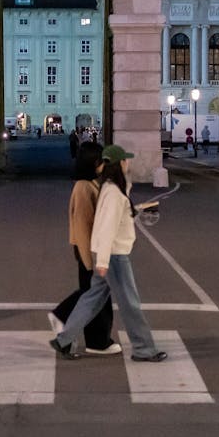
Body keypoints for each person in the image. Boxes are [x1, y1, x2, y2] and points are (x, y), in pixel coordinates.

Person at [50, 143, 168, 363]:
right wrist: (103, 261)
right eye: (126, 160)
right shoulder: (112, 193)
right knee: (130, 304)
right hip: (114, 257)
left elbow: (115, 219)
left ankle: (64, 340)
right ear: (118, 164)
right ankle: (143, 348)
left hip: (108, 254)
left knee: (92, 299)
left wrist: (137, 208)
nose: (129, 163)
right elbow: (106, 228)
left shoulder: (110, 188)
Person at [48, 141, 121, 356]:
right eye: (101, 161)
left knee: (95, 294)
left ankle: (96, 339)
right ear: (94, 162)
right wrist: (91, 260)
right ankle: (68, 319)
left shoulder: (89, 184)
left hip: (91, 248)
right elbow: (82, 225)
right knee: (94, 295)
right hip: (88, 250)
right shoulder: (83, 187)